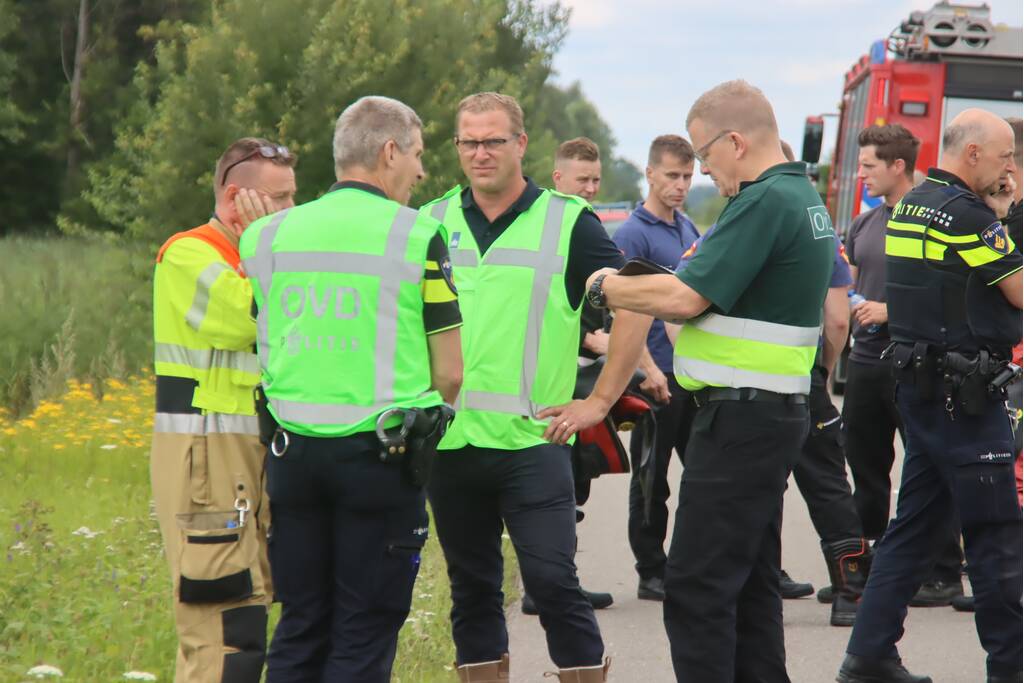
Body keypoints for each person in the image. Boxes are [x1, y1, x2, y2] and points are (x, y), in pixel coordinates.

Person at [586, 79, 835, 682]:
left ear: (736, 141)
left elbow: (685, 295)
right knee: (749, 585)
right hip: (766, 417)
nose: (701, 171)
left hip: (740, 423)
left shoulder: (763, 202)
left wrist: (604, 286)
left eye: (704, 155)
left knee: (696, 589)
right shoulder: (800, 196)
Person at [422, 92, 651, 683]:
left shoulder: (568, 221)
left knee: (552, 584)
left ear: (521, 145)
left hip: (534, 443)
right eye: (468, 141)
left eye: (493, 140)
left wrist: (598, 401)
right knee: (471, 592)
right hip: (450, 445)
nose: (480, 153)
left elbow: (640, 299)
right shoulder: (431, 222)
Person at [239, 96, 464, 681]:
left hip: (291, 460)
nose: (420, 171)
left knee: (300, 624)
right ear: (389, 151)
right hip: (380, 461)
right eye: (416, 155)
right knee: (362, 631)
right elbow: (450, 373)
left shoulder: (265, 236)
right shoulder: (419, 235)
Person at [837, 108, 1022, 683]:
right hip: (966, 403)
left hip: (922, 390)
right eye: (1004, 157)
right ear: (971, 154)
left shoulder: (912, 205)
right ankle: (1010, 668)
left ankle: (868, 655)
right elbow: (1018, 292)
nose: (1010, 168)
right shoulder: (970, 216)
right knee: (995, 540)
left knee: (911, 530)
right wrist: (1006, 217)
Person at [151, 137, 296, 682]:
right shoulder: (189, 253)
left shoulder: (258, 258)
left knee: (251, 615)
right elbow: (243, 320)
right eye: (278, 200)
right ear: (237, 198)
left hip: (251, 459)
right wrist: (267, 243)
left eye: (293, 198)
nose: (291, 212)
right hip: (207, 462)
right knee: (223, 635)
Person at [842, 124, 965, 608]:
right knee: (866, 467)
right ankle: (869, 563)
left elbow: (951, 291)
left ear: (898, 167)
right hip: (865, 364)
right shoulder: (865, 224)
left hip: (917, 363)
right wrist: (850, 302)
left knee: (928, 467)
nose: (862, 174)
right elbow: (850, 279)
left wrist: (890, 311)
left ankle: (942, 573)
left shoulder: (933, 221)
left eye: (869, 165)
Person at [612, 134, 698, 601]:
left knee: (702, 477)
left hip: (690, 376)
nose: (680, 185)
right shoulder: (632, 234)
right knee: (651, 479)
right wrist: (646, 370)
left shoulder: (687, 230)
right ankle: (651, 569)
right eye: (671, 176)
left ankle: (687, 564)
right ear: (649, 174)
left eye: (687, 176)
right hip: (654, 379)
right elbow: (625, 313)